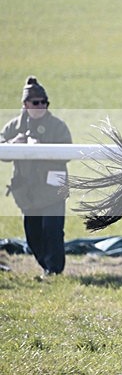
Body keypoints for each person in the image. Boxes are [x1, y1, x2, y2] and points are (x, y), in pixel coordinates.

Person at [1, 77, 72, 276]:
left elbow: (68, 153)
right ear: (25, 105)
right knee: (32, 235)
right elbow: (1, 147)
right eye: (36, 102)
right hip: (28, 193)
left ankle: (54, 270)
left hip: (54, 189)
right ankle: (46, 266)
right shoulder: (14, 126)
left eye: (44, 102)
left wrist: (39, 148)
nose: (41, 106)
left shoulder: (58, 126)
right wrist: (14, 145)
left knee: (52, 230)